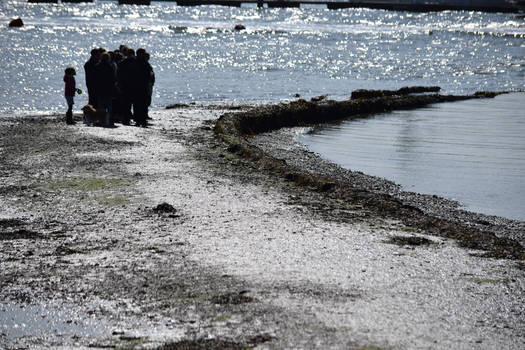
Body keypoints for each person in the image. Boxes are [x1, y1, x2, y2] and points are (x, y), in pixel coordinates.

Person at [95, 52, 116, 127]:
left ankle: (102, 120)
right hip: (109, 89)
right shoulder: (110, 67)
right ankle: (110, 120)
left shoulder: (97, 66)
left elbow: (95, 79)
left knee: (101, 106)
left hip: (100, 89)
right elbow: (113, 79)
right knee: (109, 106)